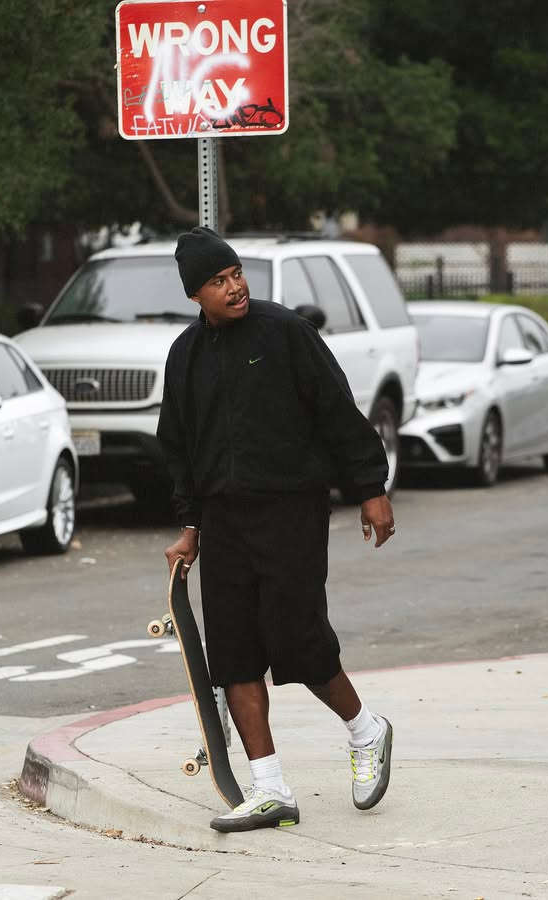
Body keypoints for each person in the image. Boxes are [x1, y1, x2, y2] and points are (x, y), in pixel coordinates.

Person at [158, 226, 396, 834]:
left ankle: (366, 731)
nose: (234, 286)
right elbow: (179, 448)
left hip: (290, 509)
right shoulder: (185, 356)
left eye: (236, 273)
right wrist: (190, 525)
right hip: (223, 521)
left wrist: (370, 487)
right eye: (219, 281)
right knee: (233, 654)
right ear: (195, 294)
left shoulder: (285, 332)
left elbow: (337, 409)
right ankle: (270, 789)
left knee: (297, 638)